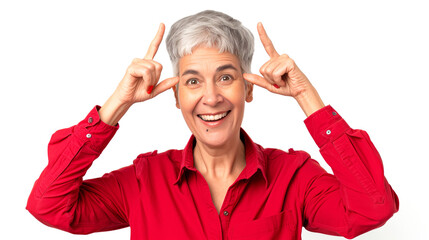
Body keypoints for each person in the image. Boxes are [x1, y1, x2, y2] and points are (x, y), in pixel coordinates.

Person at [26, 10, 399, 239]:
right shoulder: (143, 181)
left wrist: (306, 96)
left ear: (249, 89)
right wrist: (116, 104)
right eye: (192, 81)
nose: (211, 97)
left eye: (225, 77)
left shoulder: (294, 176)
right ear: (174, 97)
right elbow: (49, 205)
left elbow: (373, 209)